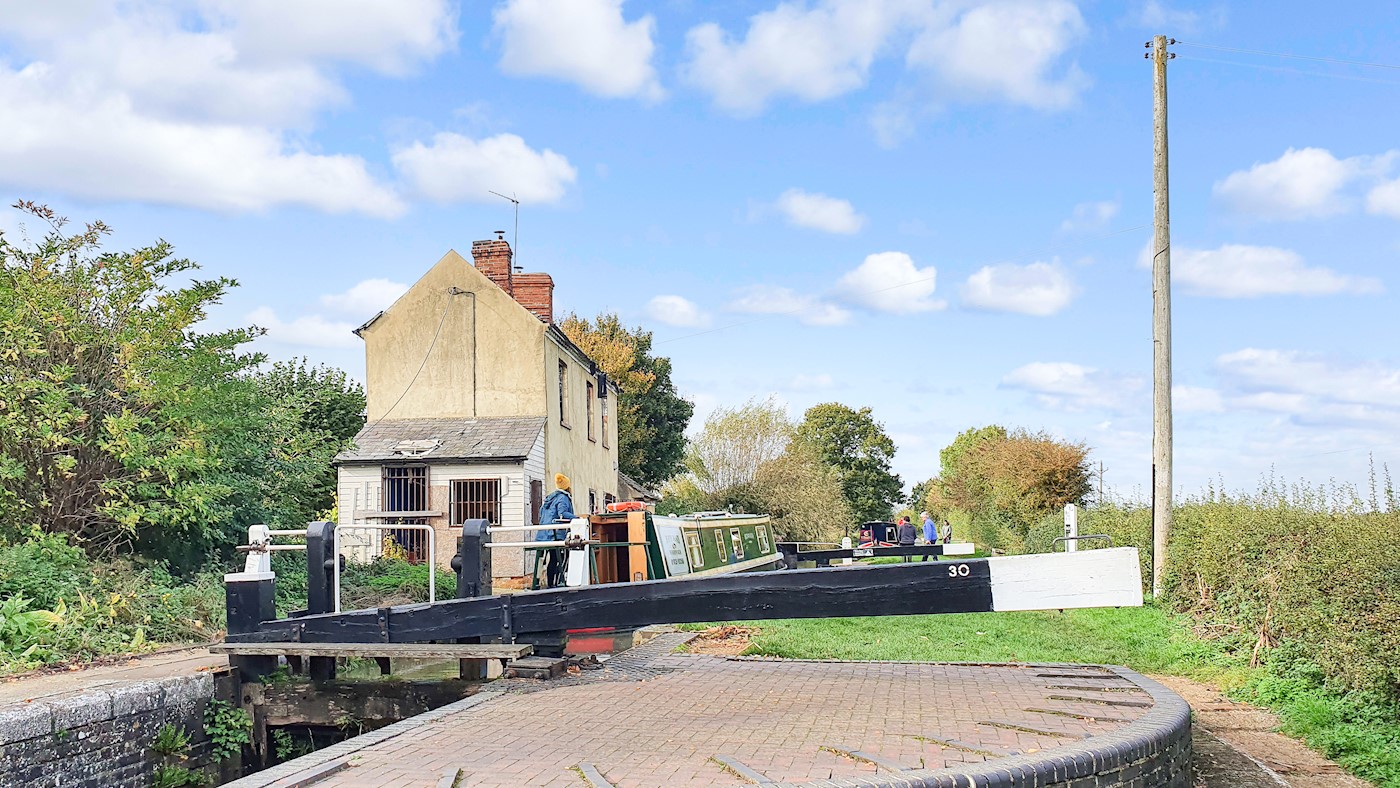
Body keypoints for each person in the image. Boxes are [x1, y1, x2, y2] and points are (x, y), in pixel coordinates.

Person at [536, 473, 576, 588]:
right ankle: (556, 583)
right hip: (555, 534)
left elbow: (541, 515)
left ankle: (539, 582)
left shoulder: (549, 498)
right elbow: (562, 513)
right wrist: (577, 518)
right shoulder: (563, 498)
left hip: (543, 534)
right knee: (559, 558)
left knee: (545, 559)